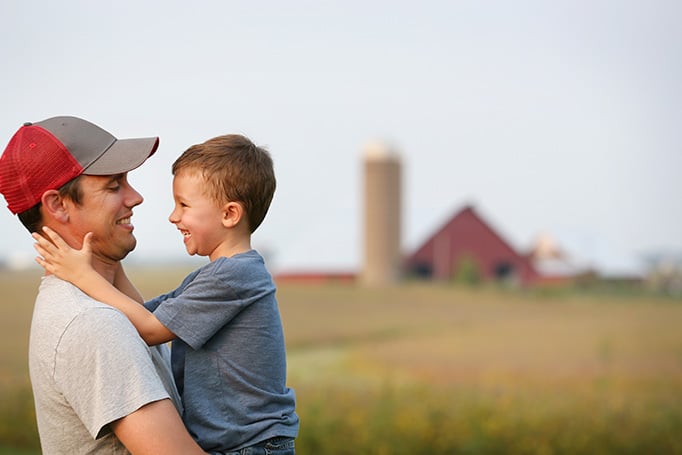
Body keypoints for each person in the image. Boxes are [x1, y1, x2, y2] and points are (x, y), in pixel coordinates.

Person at [33, 134, 300, 454]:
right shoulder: (214, 277)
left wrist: (84, 275)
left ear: (229, 214)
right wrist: (110, 263)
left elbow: (149, 329)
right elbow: (143, 313)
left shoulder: (235, 277)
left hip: (251, 445)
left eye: (184, 205)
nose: (174, 217)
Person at [0, 116, 207, 454]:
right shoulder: (92, 324)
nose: (135, 197)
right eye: (114, 185)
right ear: (58, 205)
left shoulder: (96, 304)